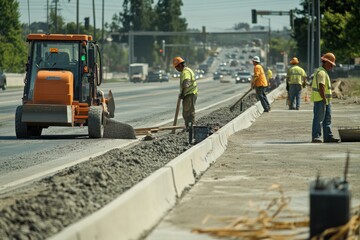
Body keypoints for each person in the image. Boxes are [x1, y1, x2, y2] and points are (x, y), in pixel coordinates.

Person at [311, 52, 340, 143]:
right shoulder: (321, 73)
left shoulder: (324, 72)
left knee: (327, 119)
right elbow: (321, 86)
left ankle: (328, 136)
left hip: (325, 100)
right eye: (331, 64)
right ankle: (316, 137)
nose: (332, 67)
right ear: (326, 62)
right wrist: (324, 99)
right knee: (319, 119)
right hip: (321, 99)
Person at [173, 56, 198, 130]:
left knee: (188, 113)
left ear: (180, 65)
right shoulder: (187, 70)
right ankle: (189, 127)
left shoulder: (185, 72)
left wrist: (183, 93)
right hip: (191, 94)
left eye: (176, 67)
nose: (176, 69)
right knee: (187, 112)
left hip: (189, 94)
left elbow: (186, 82)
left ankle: (190, 128)